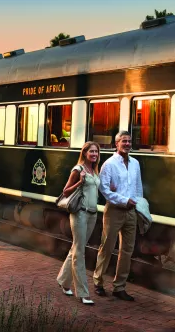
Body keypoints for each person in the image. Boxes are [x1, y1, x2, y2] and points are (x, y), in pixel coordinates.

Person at [92, 130, 142, 301]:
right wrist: (123, 200)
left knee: (127, 250)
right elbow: (104, 189)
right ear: (117, 144)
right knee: (107, 247)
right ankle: (98, 282)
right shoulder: (109, 164)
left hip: (131, 212)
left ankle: (119, 287)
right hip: (114, 210)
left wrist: (137, 203)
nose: (127, 144)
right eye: (124, 141)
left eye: (129, 141)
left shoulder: (135, 163)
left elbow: (138, 187)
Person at [56, 141, 101, 305]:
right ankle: (83, 293)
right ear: (85, 152)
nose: (94, 154)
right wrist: (79, 182)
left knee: (76, 248)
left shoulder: (94, 170)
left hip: (92, 215)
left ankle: (63, 280)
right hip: (80, 213)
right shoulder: (78, 169)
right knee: (79, 252)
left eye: (96, 152)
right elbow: (65, 191)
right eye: (91, 151)